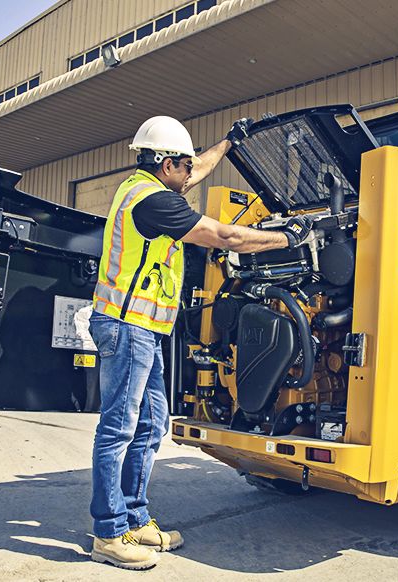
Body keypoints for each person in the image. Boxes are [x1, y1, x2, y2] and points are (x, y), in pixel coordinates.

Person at [88, 115, 313, 570]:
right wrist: (287, 238)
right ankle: (109, 533)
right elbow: (225, 236)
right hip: (127, 326)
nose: (191, 174)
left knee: (151, 425)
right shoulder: (153, 203)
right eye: (184, 166)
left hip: (145, 330)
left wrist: (231, 141)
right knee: (119, 429)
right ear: (167, 164)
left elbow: (203, 168)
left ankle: (134, 518)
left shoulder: (151, 186)